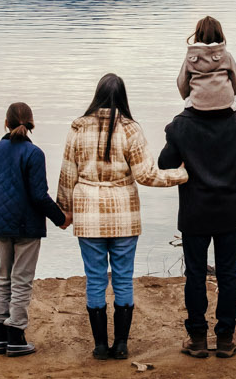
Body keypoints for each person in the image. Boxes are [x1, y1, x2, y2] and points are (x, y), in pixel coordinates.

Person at [56, 74, 185, 361]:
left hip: (88, 215)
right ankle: (122, 345)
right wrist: (182, 174)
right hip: (124, 215)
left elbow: (67, 174)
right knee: (124, 279)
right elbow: (146, 175)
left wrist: (64, 211)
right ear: (123, 97)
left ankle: (101, 346)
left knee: (95, 279)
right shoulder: (130, 129)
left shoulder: (78, 128)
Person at [158, 93, 236, 358]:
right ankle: (226, 338)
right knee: (228, 275)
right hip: (228, 211)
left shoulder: (181, 124)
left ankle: (197, 338)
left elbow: (164, 163)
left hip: (194, 212)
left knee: (194, 274)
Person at [0, 101, 67, 356]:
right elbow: (39, 195)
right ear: (31, 124)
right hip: (26, 224)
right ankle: (15, 334)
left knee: (4, 276)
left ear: (6, 123)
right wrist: (60, 218)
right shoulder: (34, 153)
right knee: (22, 280)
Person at [176, 16, 236, 110]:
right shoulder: (226, 56)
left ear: (198, 34)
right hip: (225, 106)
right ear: (220, 34)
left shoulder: (190, 58)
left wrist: (187, 97)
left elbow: (182, 83)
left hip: (198, 107)